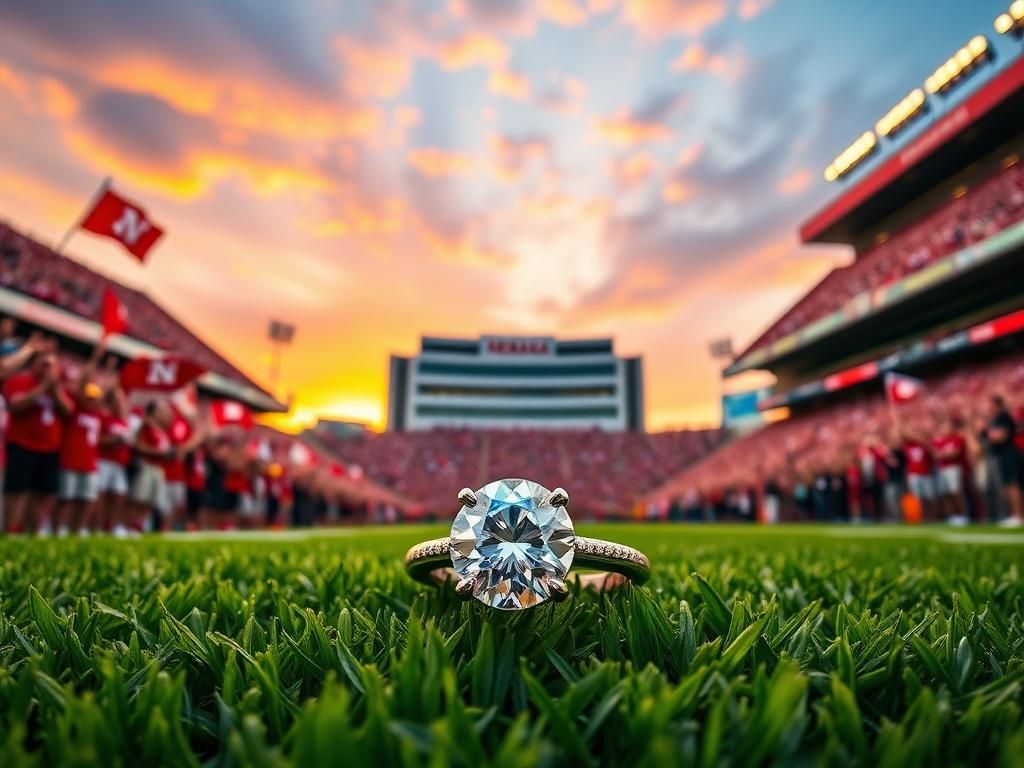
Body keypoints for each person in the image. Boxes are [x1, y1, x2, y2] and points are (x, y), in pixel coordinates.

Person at [3, 339, 71, 534]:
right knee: (16, 491)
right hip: (22, 446)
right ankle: (9, 531)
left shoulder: (58, 387)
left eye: (52, 365)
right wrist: (42, 388)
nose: (48, 369)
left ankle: (32, 531)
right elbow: (16, 406)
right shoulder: (20, 381)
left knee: (41, 494)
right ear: (34, 364)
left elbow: (67, 412)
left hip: (49, 449)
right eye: (44, 364)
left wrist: (54, 389)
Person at [130, 399, 173, 530]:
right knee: (140, 498)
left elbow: (170, 418)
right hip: (147, 465)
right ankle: (130, 524)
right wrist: (158, 453)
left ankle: (139, 524)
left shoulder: (161, 429)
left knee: (151, 500)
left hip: (158, 468)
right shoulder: (146, 427)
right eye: (160, 411)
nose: (163, 414)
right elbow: (138, 446)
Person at [97, 386, 133, 536]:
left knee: (120, 495)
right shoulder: (104, 418)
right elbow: (97, 439)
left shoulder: (124, 422)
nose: (120, 404)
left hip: (119, 464)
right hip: (104, 461)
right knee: (101, 496)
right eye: (117, 401)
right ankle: (97, 526)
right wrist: (113, 440)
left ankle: (112, 526)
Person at [985, 395, 1022, 525]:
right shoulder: (995, 419)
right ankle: (1014, 514)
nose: (988, 407)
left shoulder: (1003, 417)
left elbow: (999, 437)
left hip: (1009, 453)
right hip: (1002, 455)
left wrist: (990, 434)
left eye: (990, 404)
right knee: (1007, 486)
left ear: (997, 405)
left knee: (1013, 485)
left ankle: (1018, 515)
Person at [932, 415, 968, 524]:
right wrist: (945, 454)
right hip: (942, 469)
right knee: (947, 494)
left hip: (954, 468)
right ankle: (952, 516)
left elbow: (954, 453)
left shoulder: (956, 438)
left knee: (956, 492)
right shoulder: (939, 440)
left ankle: (962, 515)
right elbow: (935, 454)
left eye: (947, 427)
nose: (944, 429)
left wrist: (943, 454)